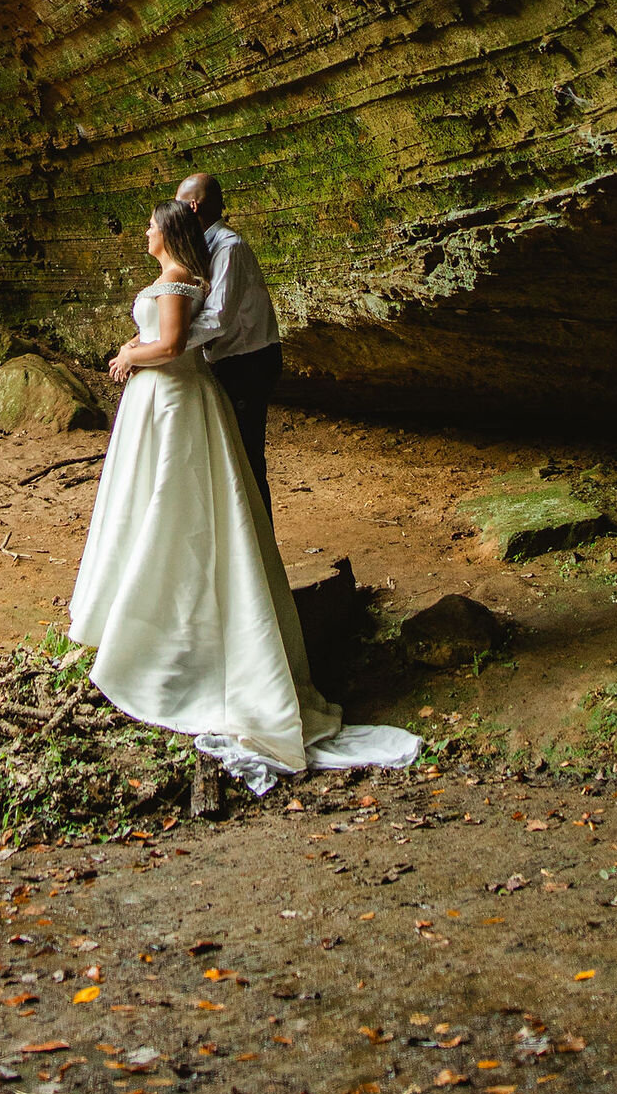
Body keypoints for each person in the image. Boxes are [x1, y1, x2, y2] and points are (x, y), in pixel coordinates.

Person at [68, 199, 418, 787]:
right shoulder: (174, 279)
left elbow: (172, 347)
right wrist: (134, 348)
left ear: (168, 231)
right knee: (146, 502)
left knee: (173, 505)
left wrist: (130, 354)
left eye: (151, 224)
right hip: (158, 401)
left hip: (175, 400)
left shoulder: (178, 282)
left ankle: (161, 635)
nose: (145, 231)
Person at [176, 170, 281, 510]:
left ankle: (259, 538)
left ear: (193, 207)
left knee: (246, 459)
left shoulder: (228, 248)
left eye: (178, 203)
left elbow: (217, 317)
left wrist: (169, 343)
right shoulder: (205, 248)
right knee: (229, 458)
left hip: (247, 362)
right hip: (231, 359)